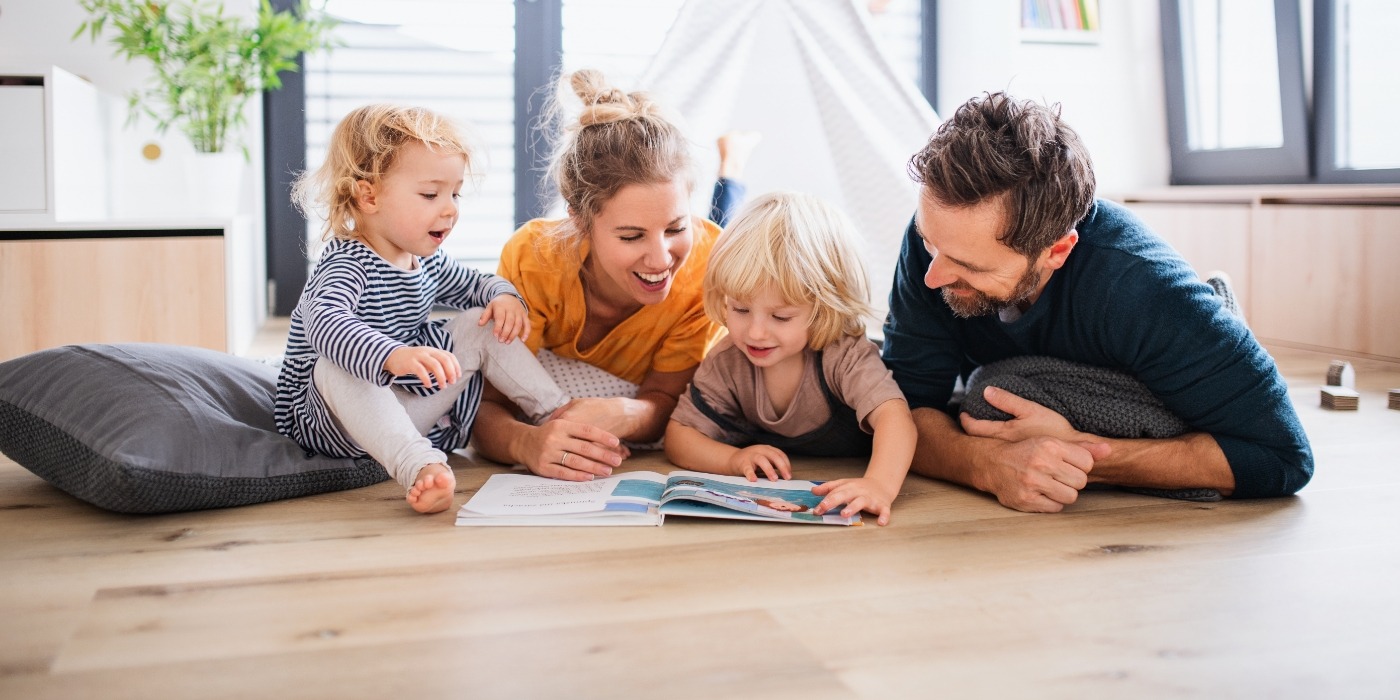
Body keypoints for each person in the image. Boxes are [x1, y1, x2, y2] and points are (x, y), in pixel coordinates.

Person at [881, 91, 1314, 513]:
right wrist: (984, 465)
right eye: (929, 242)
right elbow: (902, 410)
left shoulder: (1142, 289)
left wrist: (1084, 456)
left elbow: (1283, 458)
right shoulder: (939, 242)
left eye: (967, 265)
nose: (932, 276)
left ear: (1057, 250)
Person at [275, 104, 570, 514]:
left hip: (402, 408)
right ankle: (420, 465)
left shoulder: (424, 260)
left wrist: (504, 297)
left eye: (455, 193)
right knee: (333, 364)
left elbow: (476, 284)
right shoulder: (347, 264)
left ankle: (558, 412)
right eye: (431, 194)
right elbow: (324, 324)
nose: (449, 208)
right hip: (333, 421)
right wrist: (392, 356)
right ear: (369, 195)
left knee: (478, 321)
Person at [471, 70, 755, 480]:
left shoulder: (705, 268)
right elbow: (486, 406)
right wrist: (525, 443)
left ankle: (735, 163)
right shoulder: (535, 259)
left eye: (676, 228)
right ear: (581, 221)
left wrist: (627, 412)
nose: (660, 260)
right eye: (631, 236)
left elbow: (666, 401)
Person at [664, 192, 917, 526]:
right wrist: (734, 459)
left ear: (824, 310)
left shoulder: (843, 353)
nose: (755, 332)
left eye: (780, 317)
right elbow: (679, 435)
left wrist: (878, 485)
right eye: (740, 309)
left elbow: (896, 419)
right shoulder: (728, 359)